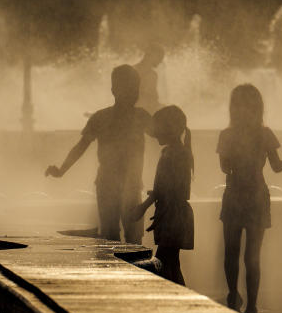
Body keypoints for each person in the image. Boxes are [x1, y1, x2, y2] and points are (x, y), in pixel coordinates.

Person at [218, 84, 282, 313]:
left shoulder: (247, 134)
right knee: (235, 253)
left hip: (247, 196)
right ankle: (236, 297)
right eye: (240, 105)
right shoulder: (249, 134)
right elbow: (226, 166)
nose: (244, 110)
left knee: (247, 254)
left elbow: (274, 166)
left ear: (256, 108)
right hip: (245, 195)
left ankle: (247, 301)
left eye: (248, 105)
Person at [46, 65, 151, 243]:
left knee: (131, 238)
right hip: (108, 185)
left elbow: (164, 134)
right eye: (129, 88)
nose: (134, 93)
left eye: (136, 88)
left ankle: (130, 268)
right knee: (112, 238)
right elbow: (81, 146)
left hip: (130, 185)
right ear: (113, 90)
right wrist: (62, 170)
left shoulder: (141, 117)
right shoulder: (103, 118)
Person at [131, 105, 194, 285]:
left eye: (157, 128)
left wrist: (143, 207)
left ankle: (179, 299)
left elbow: (162, 188)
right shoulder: (181, 152)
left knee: (163, 263)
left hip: (172, 215)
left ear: (169, 129)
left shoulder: (170, 153)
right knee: (172, 263)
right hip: (178, 213)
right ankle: (182, 298)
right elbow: (171, 187)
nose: (154, 133)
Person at [133, 44, 165, 114]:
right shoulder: (151, 75)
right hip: (141, 112)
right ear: (152, 55)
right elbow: (152, 99)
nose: (161, 61)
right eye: (160, 57)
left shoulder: (132, 69)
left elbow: (154, 98)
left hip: (140, 111)